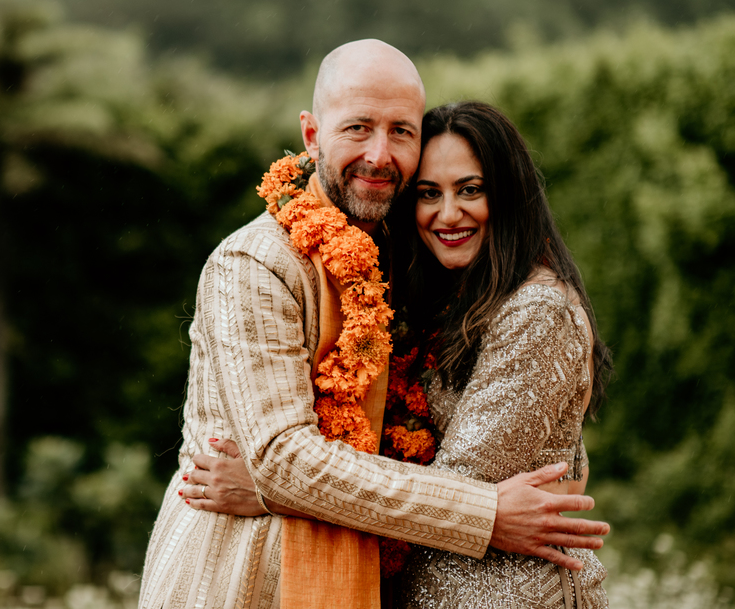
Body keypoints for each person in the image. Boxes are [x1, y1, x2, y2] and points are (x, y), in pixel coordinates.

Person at [137, 40, 609, 609]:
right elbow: (282, 458)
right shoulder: (257, 264)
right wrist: (483, 514)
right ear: (312, 136)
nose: (380, 154)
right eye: (358, 128)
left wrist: (267, 491)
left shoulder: (401, 260)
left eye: (401, 131)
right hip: (243, 578)